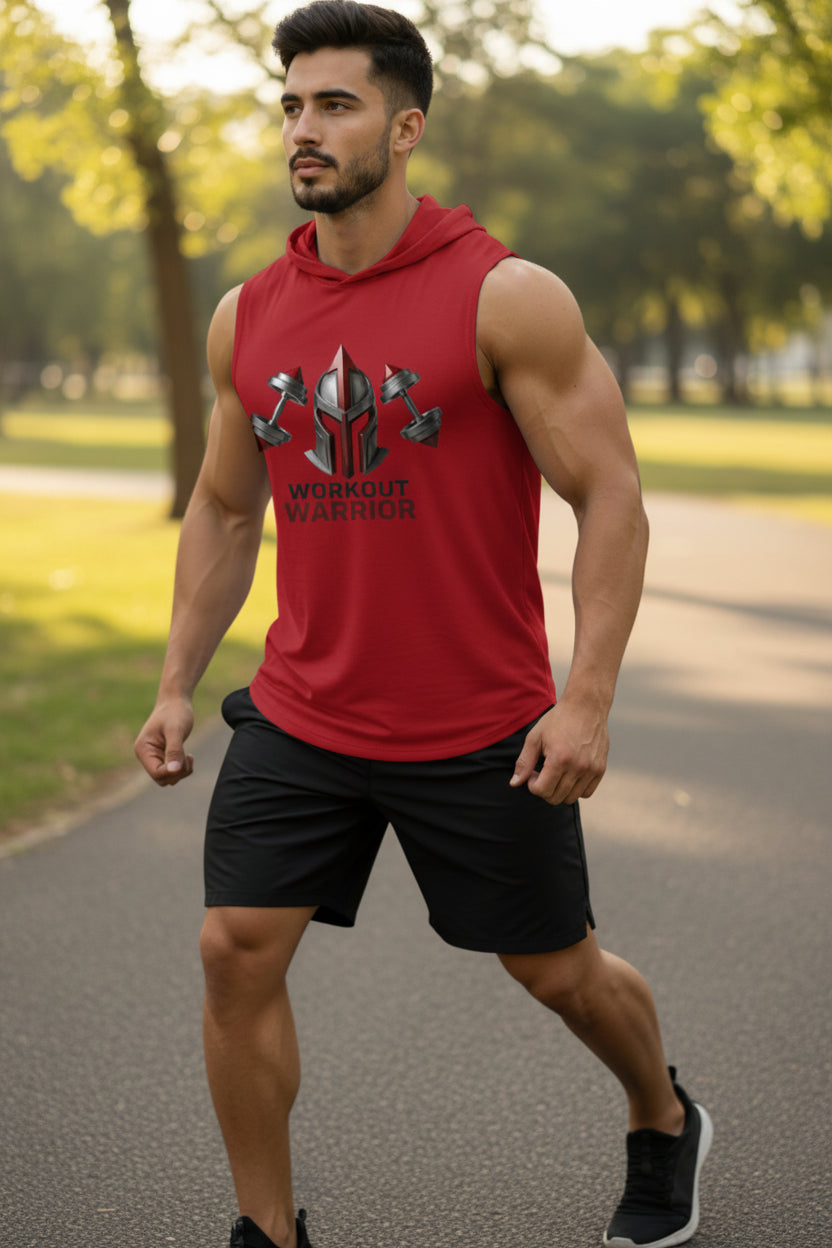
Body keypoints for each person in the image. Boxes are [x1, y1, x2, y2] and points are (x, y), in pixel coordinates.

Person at [134, 4, 712, 1247]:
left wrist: (588, 697)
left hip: (478, 723)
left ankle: (661, 1117)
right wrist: (179, 680)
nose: (303, 129)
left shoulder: (504, 296)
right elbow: (228, 507)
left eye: (334, 105)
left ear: (406, 127)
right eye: (290, 104)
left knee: (559, 975)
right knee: (234, 948)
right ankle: (268, 1231)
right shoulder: (250, 314)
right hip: (305, 708)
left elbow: (608, 494)